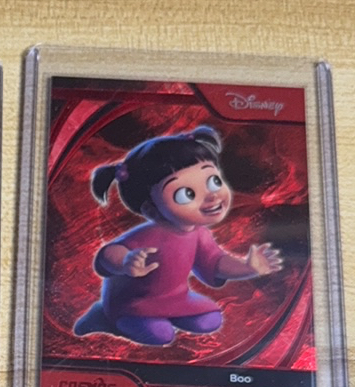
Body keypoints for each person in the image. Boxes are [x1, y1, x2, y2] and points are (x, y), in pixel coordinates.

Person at [75, 125, 282, 346]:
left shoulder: (199, 234)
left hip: (176, 299)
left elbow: (215, 262)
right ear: (151, 210)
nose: (212, 196)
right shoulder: (149, 235)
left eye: (214, 181)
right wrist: (125, 262)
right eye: (186, 194)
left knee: (211, 320)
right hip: (134, 303)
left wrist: (248, 268)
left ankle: (166, 316)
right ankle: (105, 318)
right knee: (162, 335)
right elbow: (108, 254)